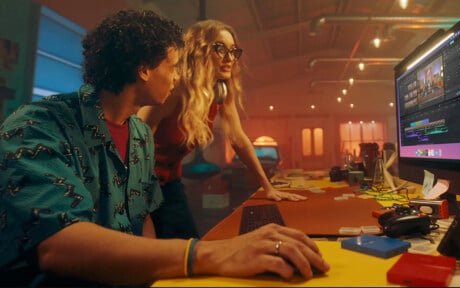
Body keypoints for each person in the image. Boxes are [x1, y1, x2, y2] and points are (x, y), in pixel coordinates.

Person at [0, 10, 329, 286]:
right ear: (144, 70)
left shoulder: (140, 138)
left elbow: (143, 217)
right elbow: (58, 246)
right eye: (173, 66)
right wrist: (210, 252)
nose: (177, 75)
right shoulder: (38, 124)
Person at [138, 19, 307, 239]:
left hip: (170, 183)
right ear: (200, 51)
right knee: (168, 252)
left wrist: (268, 187)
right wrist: (138, 202)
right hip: (139, 184)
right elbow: (136, 142)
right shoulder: (175, 87)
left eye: (233, 51)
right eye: (220, 49)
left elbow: (238, 138)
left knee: (188, 245)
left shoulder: (220, 91)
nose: (229, 59)